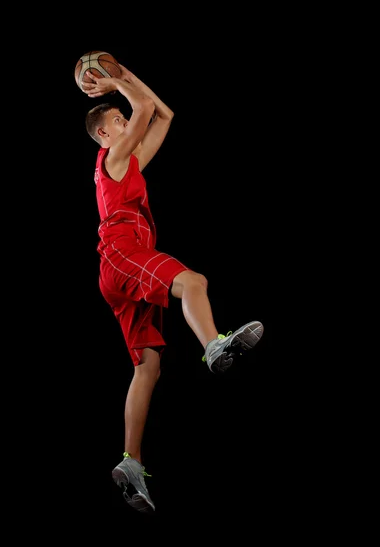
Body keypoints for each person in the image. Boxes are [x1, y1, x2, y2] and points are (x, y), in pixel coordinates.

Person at [81, 62, 264, 514]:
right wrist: (116, 83)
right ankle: (215, 347)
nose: (127, 122)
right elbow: (143, 105)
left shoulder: (131, 164)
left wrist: (121, 71)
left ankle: (131, 461)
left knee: (148, 367)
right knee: (193, 282)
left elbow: (162, 114)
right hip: (123, 254)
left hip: (118, 272)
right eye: (118, 122)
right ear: (104, 135)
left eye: (124, 120)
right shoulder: (115, 157)